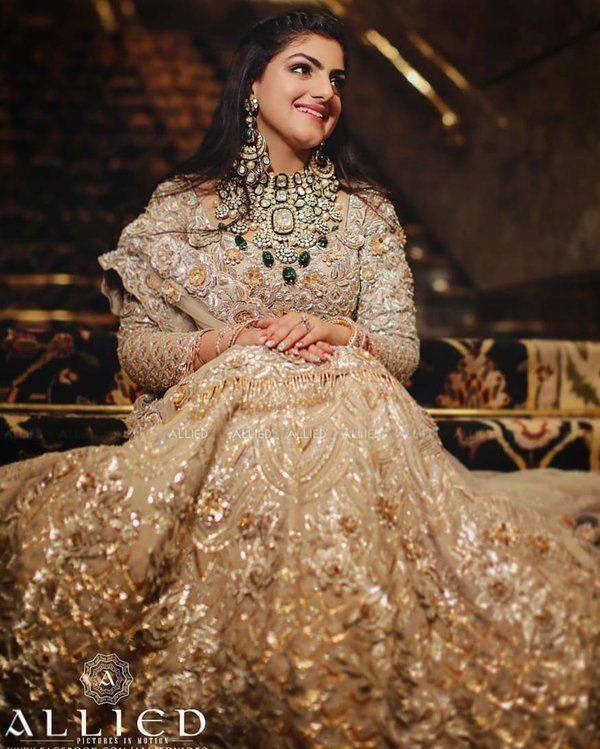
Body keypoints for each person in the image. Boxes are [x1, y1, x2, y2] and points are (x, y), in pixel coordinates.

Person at [0, 8, 599, 748]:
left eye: (337, 77)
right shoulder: (179, 211)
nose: (325, 89)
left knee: (348, 380)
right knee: (265, 370)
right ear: (252, 85)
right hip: (219, 426)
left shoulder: (366, 215)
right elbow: (138, 355)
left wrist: (334, 330)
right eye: (303, 68)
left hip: (349, 419)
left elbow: (404, 351)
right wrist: (231, 342)